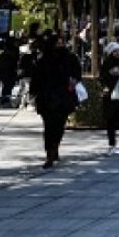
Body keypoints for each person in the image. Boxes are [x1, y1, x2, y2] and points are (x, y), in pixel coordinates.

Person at [30, 32, 82, 168]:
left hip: (63, 96)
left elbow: (77, 73)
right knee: (48, 126)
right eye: (56, 43)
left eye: (61, 43)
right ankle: (50, 152)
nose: (59, 45)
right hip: (46, 97)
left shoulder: (69, 57)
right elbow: (35, 78)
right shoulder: (42, 59)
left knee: (59, 125)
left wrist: (73, 80)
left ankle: (55, 147)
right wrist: (32, 94)